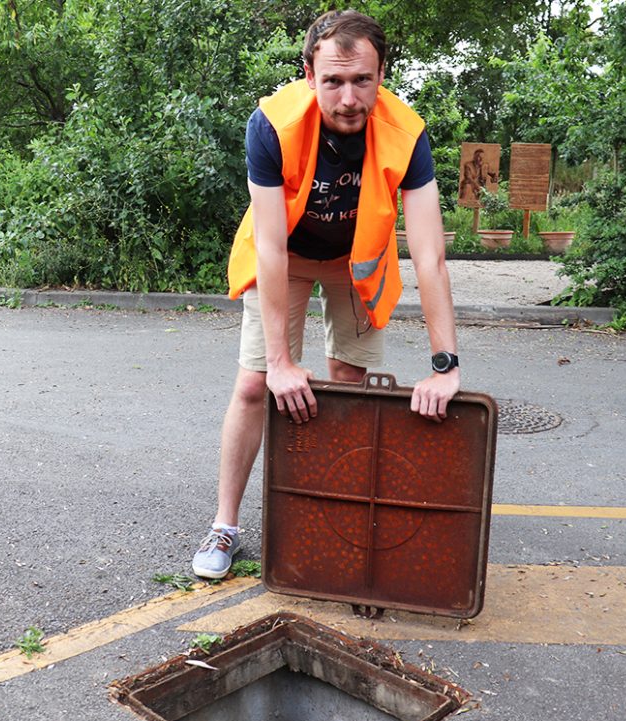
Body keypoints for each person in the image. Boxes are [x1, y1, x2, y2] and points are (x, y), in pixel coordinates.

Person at [191, 10, 460, 579]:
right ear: (309, 75)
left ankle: (330, 512)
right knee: (254, 384)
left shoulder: (407, 135)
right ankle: (225, 524)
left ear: (382, 74)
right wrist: (282, 364)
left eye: (362, 80)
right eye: (333, 81)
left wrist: (444, 365)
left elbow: (430, 255)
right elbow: (268, 248)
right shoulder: (270, 125)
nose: (348, 98)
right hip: (284, 256)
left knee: (348, 386)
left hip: (355, 261)